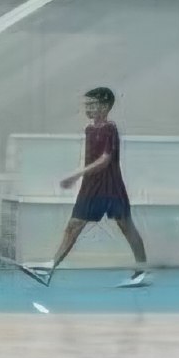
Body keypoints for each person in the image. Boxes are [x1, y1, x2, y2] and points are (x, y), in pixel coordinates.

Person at [25, 85, 150, 287]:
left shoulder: (110, 129)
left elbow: (105, 160)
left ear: (105, 106)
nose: (88, 108)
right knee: (73, 225)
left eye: (93, 104)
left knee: (126, 226)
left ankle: (143, 270)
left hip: (111, 188)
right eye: (87, 105)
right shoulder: (89, 130)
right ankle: (50, 269)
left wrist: (76, 174)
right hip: (91, 187)